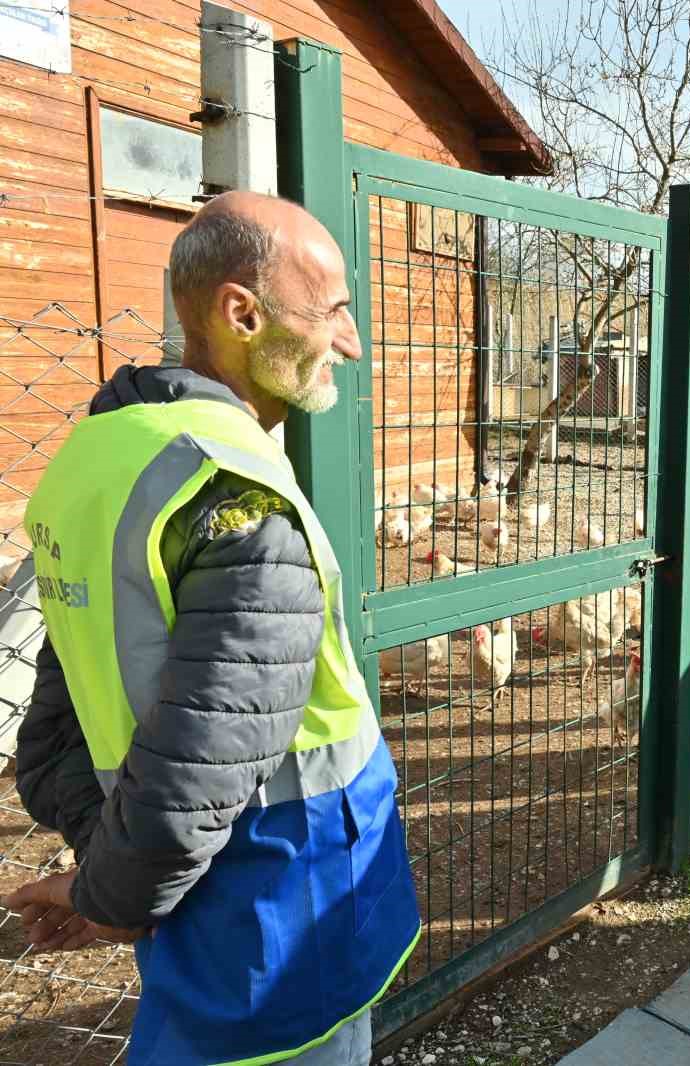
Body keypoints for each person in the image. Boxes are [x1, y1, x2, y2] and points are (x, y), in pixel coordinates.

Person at [5, 192, 420, 1066]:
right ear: (242, 313)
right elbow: (199, 769)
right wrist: (114, 894)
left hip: (190, 903)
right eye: (333, 311)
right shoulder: (237, 495)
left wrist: (112, 875)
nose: (349, 341)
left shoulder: (98, 455)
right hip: (284, 920)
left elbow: (54, 727)